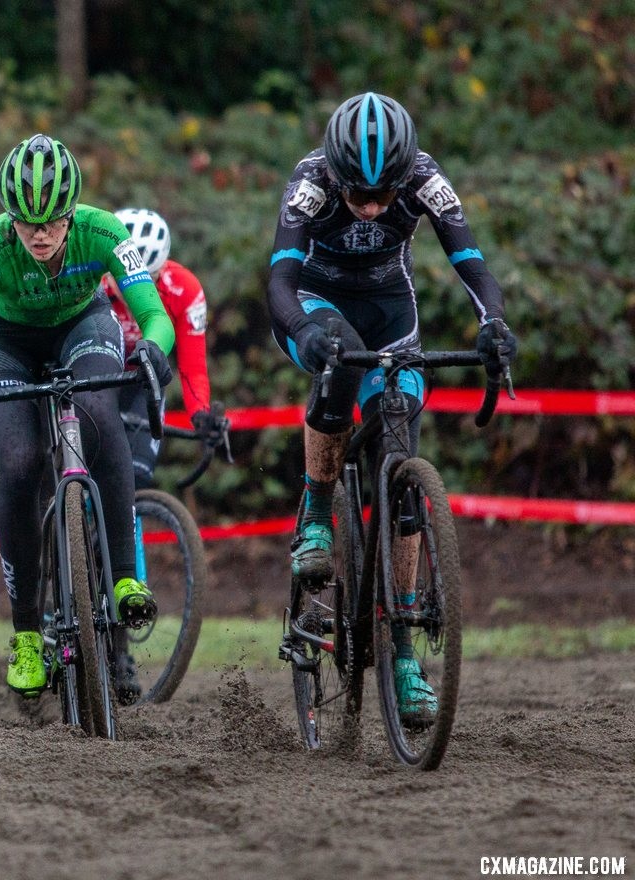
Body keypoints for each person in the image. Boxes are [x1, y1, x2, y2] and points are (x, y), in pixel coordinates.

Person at [266, 92, 518, 724]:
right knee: (342, 363)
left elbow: (471, 264)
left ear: (405, 176)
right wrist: (303, 331)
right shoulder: (311, 182)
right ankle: (318, 512)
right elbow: (279, 281)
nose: (374, 207)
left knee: (403, 472)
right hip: (318, 306)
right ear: (337, 173)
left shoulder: (428, 179)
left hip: (391, 313)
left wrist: (494, 324)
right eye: (360, 196)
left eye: (384, 196)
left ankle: (404, 654)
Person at [0, 133, 175, 697]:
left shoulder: (104, 232)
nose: (40, 234)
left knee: (100, 414)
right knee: (19, 467)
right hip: (7, 343)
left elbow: (155, 315)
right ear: (10, 218)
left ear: (72, 214)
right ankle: (26, 634)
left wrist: (152, 347)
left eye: (51, 222)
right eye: (27, 223)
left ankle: (123, 577)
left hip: (82, 324)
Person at [99, 207, 226, 703]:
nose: (134, 288)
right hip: (93, 377)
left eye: (146, 280)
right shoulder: (92, 281)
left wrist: (201, 416)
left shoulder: (184, 291)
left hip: (140, 387)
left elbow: (192, 365)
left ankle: (120, 644)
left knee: (127, 483)